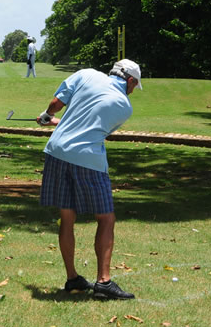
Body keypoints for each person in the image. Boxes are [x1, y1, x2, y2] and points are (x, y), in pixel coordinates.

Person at [36, 59, 142, 300]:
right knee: (105, 218)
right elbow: (94, 130)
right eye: (135, 86)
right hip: (89, 160)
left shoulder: (85, 74)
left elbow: (57, 105)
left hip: (57, 152)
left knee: (67, 216)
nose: (134, 91)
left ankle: (73, 278)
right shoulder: (124, 106)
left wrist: (47, 117)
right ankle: (103, 282)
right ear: (130, 80)